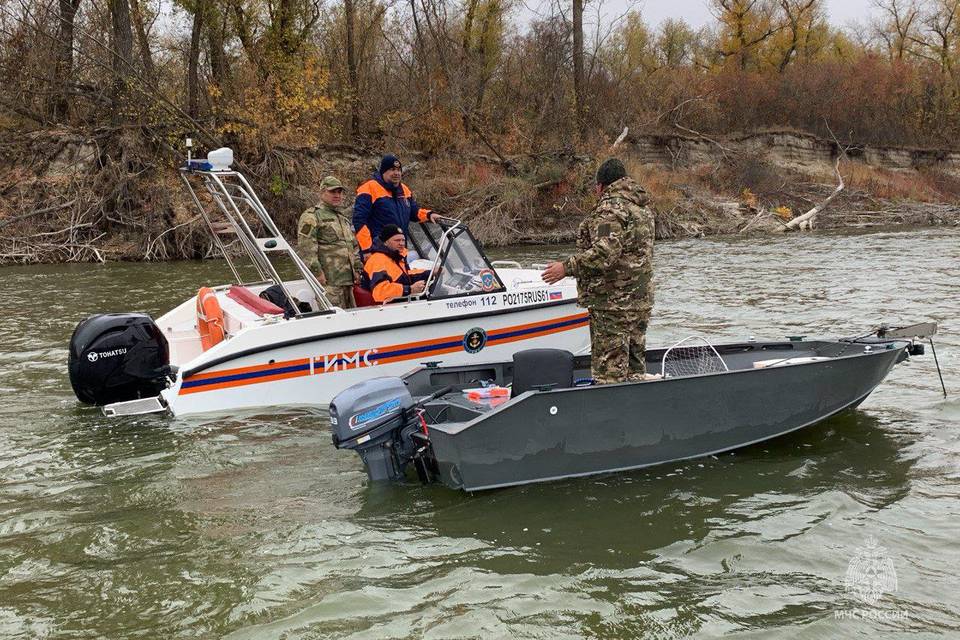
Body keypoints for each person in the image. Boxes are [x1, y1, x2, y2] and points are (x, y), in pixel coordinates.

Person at [541, 158, 655, 384]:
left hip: (612, 304)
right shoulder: (641, 208)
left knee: (609, 376)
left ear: (602, 185)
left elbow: (605, 254)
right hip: (639, 301)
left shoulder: (610, 210)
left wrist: (566, 267)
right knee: (635, 372)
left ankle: (611, 416)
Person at [353, 154, 440, 255]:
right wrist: (366, 250)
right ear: (383, 172)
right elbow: (359, 221)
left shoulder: (404, 189)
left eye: (399, 170)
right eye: (392, 169)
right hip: (378, 251)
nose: (396, 173)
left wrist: (429, 215)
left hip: (400, 250)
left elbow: (414, 212)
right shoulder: (369, 188)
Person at [297, 176, 362, 309]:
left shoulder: (343, 219)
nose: (337, 195)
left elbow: (353, 246)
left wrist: (357, 269)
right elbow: (306, 249)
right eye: (332, 192)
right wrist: (317, 273)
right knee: (333, 320)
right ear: (322, 192)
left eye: (339, 192)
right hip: (329, 283)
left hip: (347, 282)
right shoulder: (312, 216)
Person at [362, 224, 431, 303]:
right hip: (384, 309)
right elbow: (380, 292)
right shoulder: (378, 260)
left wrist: (430, 273)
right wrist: (410, 289)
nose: (401, 243)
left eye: (403, 240)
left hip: (399, 304)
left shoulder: (396, 257)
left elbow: (406, 276)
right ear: (385, 242)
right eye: (397, 240)